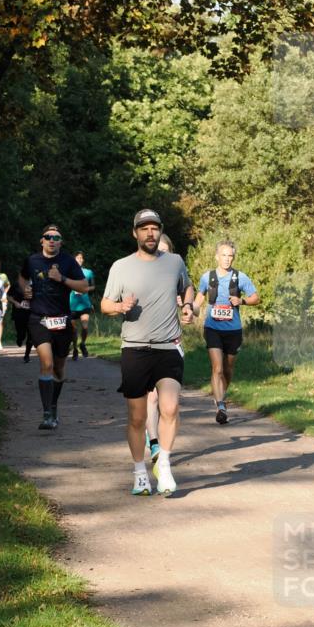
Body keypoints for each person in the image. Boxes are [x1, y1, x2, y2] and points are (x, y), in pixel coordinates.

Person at [101, 209, 194, 496]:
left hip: (168, 345)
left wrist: (188, 305)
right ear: (135, 233)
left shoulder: (175, 262)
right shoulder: (120, 267)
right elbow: (105, 304)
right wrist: (119, 307)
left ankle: (163, 463)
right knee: (137, 418)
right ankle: (140, 472)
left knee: (170, 408)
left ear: (160, 231)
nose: (150, 233)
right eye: (144, 229)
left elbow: (187, 287)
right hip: (135, 349)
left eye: (155, 228)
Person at [19, 225, 90, 430]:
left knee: (59, 369)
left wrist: (62, 279)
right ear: (42, 240)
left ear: (60, 241)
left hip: (62, 320)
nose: (52, 240)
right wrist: (25, 290)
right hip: (38, 318)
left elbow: (84, 286)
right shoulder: (32, 260)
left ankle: (53, 405)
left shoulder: (68, 261)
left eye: (56, 237)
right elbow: (22, 277)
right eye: (48, 236)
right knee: (47, 364)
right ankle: (47, 414)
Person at [193, 240, 260, 424]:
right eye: (224, 255)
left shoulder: (241, 277)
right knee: (217, 368)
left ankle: (220, 393)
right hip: (212, 328)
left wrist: (242, 301)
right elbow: (198, 300)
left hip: (234, 330)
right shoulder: (207, 277)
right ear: (217, 256)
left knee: (228, 369)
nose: (227, 259)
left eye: (230, 255)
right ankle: (221, 405)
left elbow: (256, 297)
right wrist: (190, 309)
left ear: (233, 257)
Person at [144, 234, 178, 461]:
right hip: (144, 343)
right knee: (152, 398)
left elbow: (190, 302)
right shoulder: (138, 273)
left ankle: (161, 445)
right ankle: (154, 442)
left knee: (169, 403)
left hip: (171, 343)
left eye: (165, 251)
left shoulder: (177, 273)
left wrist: (187, 309)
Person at [70, 251, 95, 360]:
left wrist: (85, 289)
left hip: (85, 304)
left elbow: (93, 286)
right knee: (73, 330)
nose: (79, 260)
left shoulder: (88, 272)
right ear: (74, 260)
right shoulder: (68, 272)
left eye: (81, 258)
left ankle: (83, 344)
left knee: (85, 327)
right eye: (77, 258)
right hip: (71, 304)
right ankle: (75, 348)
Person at [7, 274, 33, 363]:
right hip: (19, 313)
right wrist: (15, 302)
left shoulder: (36, 284)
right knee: (21, 333)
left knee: (31, 334)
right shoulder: (16, 285)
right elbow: (8, 296)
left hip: (31, 313)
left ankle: (27, 355)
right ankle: (19, 338)